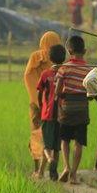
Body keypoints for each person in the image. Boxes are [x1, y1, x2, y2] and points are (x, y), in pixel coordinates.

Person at [23, 31, 63, 176]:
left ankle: (37, 170)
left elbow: (28, 76)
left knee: (36, 135)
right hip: (56, 107)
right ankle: (52, 169)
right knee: (53, 139)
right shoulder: (59, 60)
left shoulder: (36, 57)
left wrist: (36, 99)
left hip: (38, 104)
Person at [54, 35, 92, 184]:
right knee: (78, 142)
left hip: (66, 109)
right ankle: (74, 174)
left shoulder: (64, 68)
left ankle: (66, 167)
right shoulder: (88, 70)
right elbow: (91, 93)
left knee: (65, 140)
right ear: (85, 51)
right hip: (82, 110)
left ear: (69, 51)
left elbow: (57, 92)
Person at [36, 43, 67, 180]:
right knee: (56, 146)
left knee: (46, 144)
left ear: (50, 57)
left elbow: (39, 93)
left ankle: (49, 160)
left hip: (47, 113)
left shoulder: (45, 74)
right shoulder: (65, 73)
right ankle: (52, 173)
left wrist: (41, 106)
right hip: (61, 114)